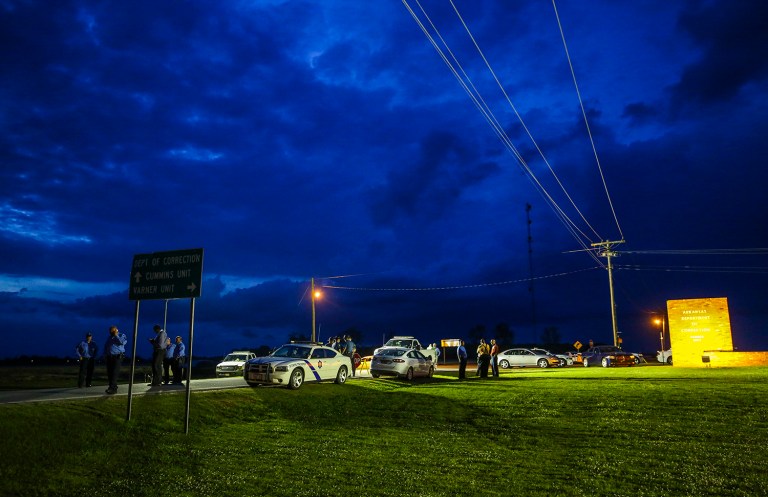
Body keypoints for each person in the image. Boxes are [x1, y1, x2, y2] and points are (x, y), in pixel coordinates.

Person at [104, 325, 127, 394]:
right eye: (110, 331)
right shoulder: (109, 337)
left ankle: (113, 388)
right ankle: (112, 386)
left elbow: (121, 342)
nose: (111, 332)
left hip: (117, 356)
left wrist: (116, 335)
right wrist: (105, 355)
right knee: (110, 373)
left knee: (114, 372)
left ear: (116, 330)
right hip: (109, 357)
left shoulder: (121, 335)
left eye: (112, 331)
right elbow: (106, 346)